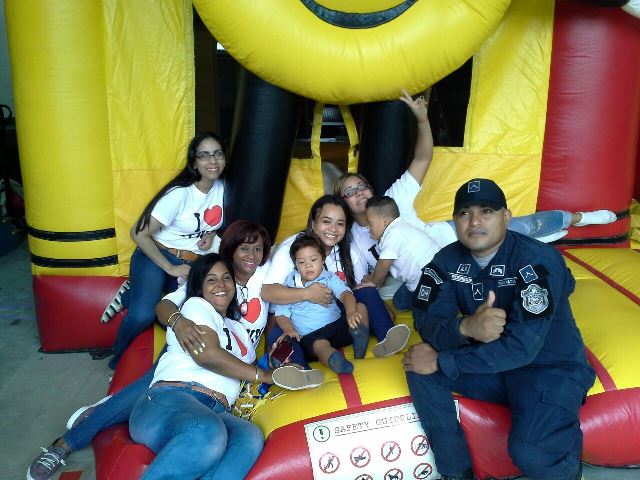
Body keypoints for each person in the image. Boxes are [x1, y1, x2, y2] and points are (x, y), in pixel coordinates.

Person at [27, 221, 322, 480]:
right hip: (183, 375)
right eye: (244, 249)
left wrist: (279, 356)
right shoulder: (201, 295)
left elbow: (290, 262)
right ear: (230, 252)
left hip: (218, 394)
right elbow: (179, 322)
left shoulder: (250, 303)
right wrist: (178, 321)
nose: (251, 256)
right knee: (159, 406)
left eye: (258, 250)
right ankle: (65, 444)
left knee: (248, 437)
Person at [402, 178, 596, 480]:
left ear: (506, 217)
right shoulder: (445, 261)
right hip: (488, 365)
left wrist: (443, 360)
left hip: (547, 369)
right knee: (418, 364)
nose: (475, 221)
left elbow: (522, 349)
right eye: (464, 213)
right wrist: (465, 327)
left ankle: (569, 473)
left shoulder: (537, 260)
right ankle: (456, 472)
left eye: (487, 211)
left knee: (531, 452)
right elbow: (427, 321)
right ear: (455, 221)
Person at [128, 253, 283, 479]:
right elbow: (207, 355)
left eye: (226, 278)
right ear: (199, 286)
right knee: (206, 429)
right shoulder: (196, 306)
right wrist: (265, 375)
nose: (221, 284)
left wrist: (276, 360)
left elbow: (242, 371)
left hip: (217, 409)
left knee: (249, 437)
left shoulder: (240, 330)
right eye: (211, 279)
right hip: (172, 398)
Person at [107, 132, 226, 370]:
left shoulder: (223, 187)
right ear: (194, 162)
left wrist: (212, 233)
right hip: (157, 255)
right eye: (204, 156)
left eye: (218, 154)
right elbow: (138, 233)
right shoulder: (180, 194)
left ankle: (132, 294)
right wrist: (171, 268)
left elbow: (214, 220)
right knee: (143, 314)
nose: (212, 161)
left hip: (191, 262)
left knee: (187, 317)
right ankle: (116, 363)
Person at [261, 195, 411, 363]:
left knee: (367, 292)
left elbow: (355, 292)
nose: (333, 229)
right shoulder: (294, 248)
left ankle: (387, 338)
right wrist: (307, 293)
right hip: (299, 320)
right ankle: (298, 369)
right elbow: (267, 292)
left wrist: (377, 311)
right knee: (278, 334)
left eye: (340, 223)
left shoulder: (348, 251)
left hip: (333, 317)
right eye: (326, 221)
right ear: (313, 223)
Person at [273, 234, 368, 373]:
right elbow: (281, 314)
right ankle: (335, 361)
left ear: (323, 260)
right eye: (301, 262)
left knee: (361, 307)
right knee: (320, 346)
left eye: (313, 259)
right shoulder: (290, 287)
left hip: (337, 325)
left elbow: (345, 294)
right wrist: (288, 329)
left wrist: (351, 312)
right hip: (312, 334)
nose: (308, 265)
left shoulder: (328, 278)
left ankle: (358, 336)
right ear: (296, 265)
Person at [361, 196, 440, 311]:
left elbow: (383, 265)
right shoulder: (402, 227)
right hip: (437, 270)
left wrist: (373, 282)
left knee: (414, 310)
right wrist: (376, 277)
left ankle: (436, 301)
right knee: (399, 301)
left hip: (427, 280)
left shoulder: (393, 234)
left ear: (384, 221)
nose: (367, 227)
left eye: (370, 222)